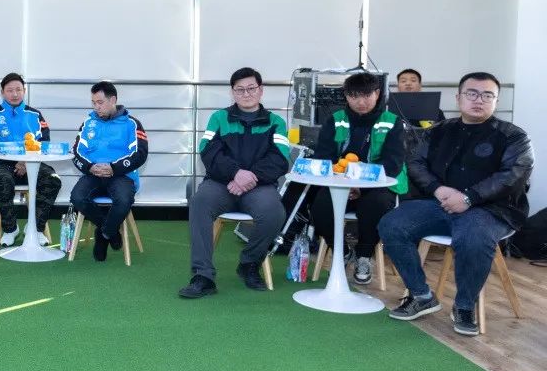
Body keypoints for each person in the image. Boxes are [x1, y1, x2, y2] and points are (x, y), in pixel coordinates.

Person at [379, 72, 534, 336]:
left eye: (487, 95)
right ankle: (421, 295)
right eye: (472, 93)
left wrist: (469, 197)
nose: (479, 100)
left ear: (496, 101)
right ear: (458, 97)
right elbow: (415, 163)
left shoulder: (513, 136)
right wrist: (438, 189)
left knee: (473, 236)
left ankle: (464, 306)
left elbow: (514, 175)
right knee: (391, 224)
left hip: (491, 209)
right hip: (441, 203)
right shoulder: (438, 131)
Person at [179, 68, 289, 297]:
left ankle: (249, 263)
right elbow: (208, 152)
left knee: (274, 212)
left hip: (259, 186)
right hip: (221, 184)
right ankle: (203, 276)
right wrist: (236, 173)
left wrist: (249, 177)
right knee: (199, 202)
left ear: (261, 90)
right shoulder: (219, 118)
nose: (246, 94)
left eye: (251, 88)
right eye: (240, 90)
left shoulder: (276, 122)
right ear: (232, 92)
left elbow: (280, 159)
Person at [309, 72, 407, 286]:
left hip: (377, 185)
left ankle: (364, 255)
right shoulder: (335, 120)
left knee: (376, 204)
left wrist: (361, 187)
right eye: (354, 96)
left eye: (366, 95)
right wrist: (345, 183)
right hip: (340, 183)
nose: (361, 102)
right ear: (346, 96)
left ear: (377, 94)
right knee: (319, 207)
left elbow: (392, 164)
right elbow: (323, 157)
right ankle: (342, 251)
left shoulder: (392, 122)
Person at [69, 81, 148, 262]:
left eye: (100, 102)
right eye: (93, 103)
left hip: (121, 175)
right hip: (93, 174)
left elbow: (140, 154)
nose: (96, 107)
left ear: (113, 100)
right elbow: (76, 152)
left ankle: (103, 235)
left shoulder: (132, 124)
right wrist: (90, 167)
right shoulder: (88, 123)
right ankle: (110, 229)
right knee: (77, 197)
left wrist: (114, 168)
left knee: (124, 201)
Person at [0, 73, 62, 246]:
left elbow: (44, 142)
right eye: (10, 90)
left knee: (53, 180)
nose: (15, 94)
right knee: (0, 180)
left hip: (32, 163)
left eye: (18, 89)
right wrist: (16, 161)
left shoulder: (35, 115)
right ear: (2, 92)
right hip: (2, 165)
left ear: (24, 90)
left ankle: (36, 228)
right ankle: (11, 229)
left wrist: (25, 162)